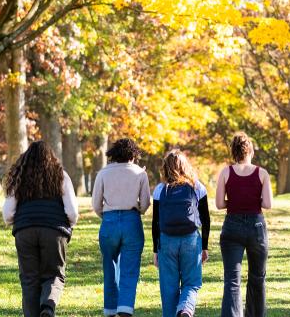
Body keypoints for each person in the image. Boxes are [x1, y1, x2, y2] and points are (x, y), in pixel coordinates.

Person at [2, 141, 79, 317]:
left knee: (29, 280)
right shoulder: (61, 176)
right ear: (51, 157)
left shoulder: (19, 178)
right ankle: (48, 307)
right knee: (54, 274)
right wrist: (69, 226)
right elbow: (72, 212)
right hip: (54, 231)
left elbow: (7, 214)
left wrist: (21, 221)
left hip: (25, 231)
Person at [215, 132, 273, 317]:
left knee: (232, 280)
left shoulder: (226, 172)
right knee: (257, 277)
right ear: (251, 151)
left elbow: (219, 204)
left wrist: (234, 202)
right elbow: (267, 204)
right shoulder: (261, 173)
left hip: (232, 225)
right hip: (256, 226)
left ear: (234, 152)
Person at [92, 138, 151, 317]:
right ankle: (125, 308)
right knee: (130, 267)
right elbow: (146, 203)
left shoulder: (103, 173)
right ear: (133, 155)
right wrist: (136, 210)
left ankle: (110, 309)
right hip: (132, 220)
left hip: (109, 221)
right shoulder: (140, 173)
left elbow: (96, 203)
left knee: (109, 265)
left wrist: (107, 215)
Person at [152, 149, 210, 317]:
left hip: (166, 241)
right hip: (191, 240)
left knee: (168, 288)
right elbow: (206, 220)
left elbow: (156, 223)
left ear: (166, 167)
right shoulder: (197, 187)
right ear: (186, 167)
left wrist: (156, 250)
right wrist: (204, 247)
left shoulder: (160, 189)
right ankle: (185, 309)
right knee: (192, 283)